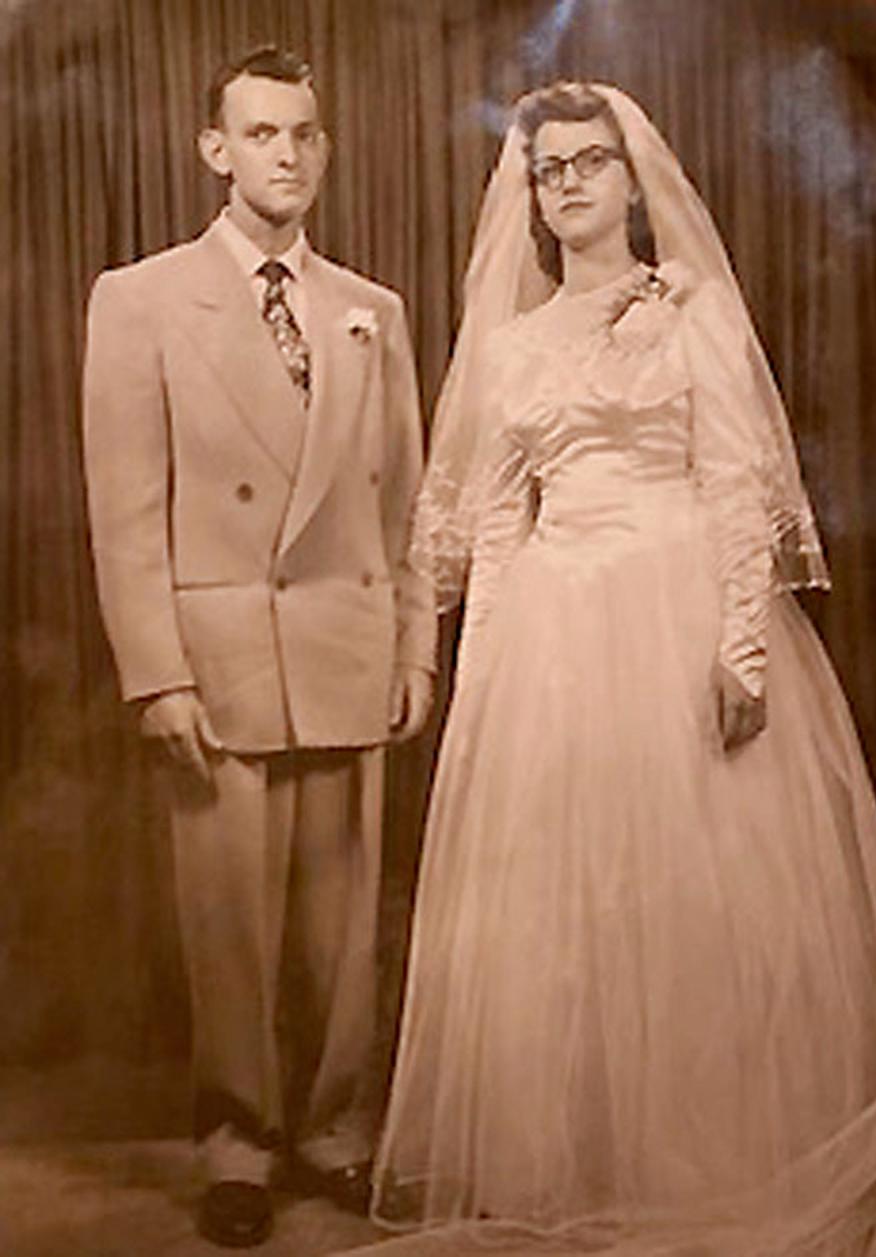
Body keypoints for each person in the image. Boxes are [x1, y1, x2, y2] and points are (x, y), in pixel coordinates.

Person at [358, 83, 876, 1256]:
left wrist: (740, 644)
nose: (570, 184)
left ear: (635, 180)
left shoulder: (691, 312)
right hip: (553, 631)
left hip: (675, 606)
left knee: (692, 891)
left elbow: (736, 481)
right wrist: (469, 663)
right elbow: (482, 516)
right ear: (529, 196)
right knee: (566, 903)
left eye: (590, 162)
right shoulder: (516, 342)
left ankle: (710, 1153)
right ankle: (586, 1157)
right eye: (549, 170)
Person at [82, 45, 435, 1249]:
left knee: (340, 926)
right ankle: (238, 1142)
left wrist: (414, 649)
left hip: (345, 646)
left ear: (322, 148)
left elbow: (405, 506)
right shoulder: (138, 299)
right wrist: (156, 672)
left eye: (304, 135)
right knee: (227, 921)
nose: (286, 156)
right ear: (213, 149)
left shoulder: (370, 311)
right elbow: (124, 507)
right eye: (261, 135)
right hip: (217, 655)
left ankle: (331, 1133)